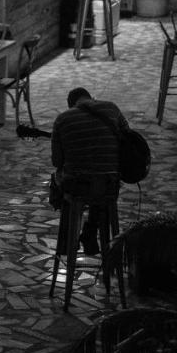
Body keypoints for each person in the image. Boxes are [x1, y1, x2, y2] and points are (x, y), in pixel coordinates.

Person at [51, 86, 129, 254]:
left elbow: (57, 161)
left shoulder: (62, 119)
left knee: (59, 178)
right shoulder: (111, 108)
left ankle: (66, 243)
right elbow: (128, 139)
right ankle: (92, 231)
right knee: (101, 179)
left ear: (71, 105)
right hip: (110, 186)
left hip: (77, 187)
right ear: (91, 98)